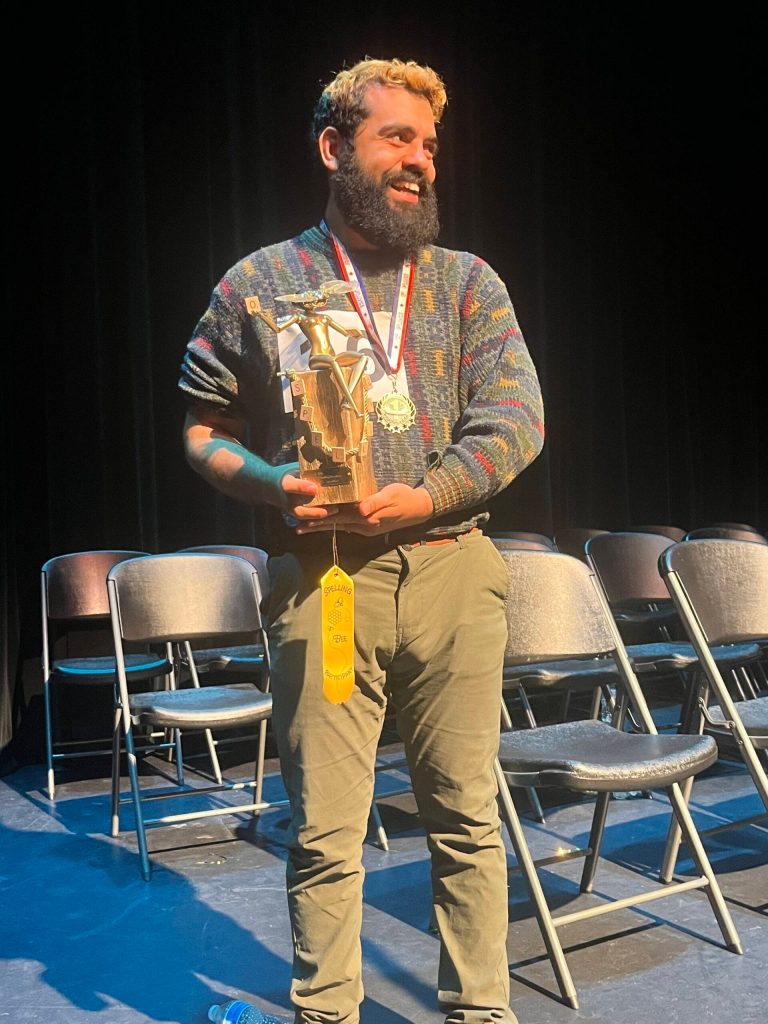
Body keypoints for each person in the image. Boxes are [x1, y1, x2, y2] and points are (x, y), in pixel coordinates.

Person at [180, 57, 545, 1024]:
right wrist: (265, 482)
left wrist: (425, 497)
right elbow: (199, 428)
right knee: (328, 831)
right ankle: (328, 1012)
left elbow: (516, 419)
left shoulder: (468, 283)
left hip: (453, 572)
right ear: (335, 149)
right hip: (323, 580)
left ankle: (481, 1011)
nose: (421, 161)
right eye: (398, 139)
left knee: (466, 819)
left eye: (429, 146)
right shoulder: (260, 283)